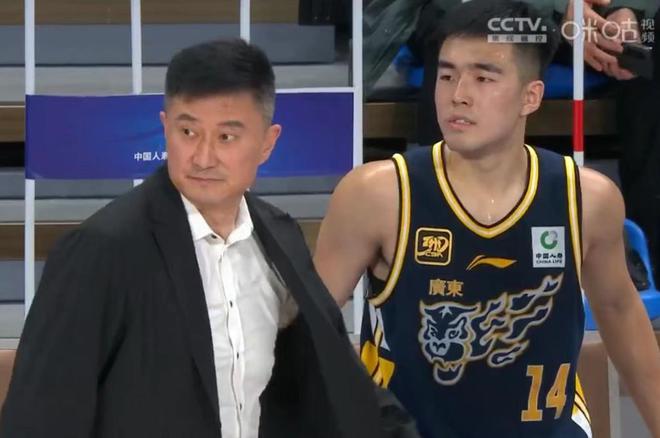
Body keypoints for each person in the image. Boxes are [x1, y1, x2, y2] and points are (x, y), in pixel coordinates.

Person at [0, 39, 419, 438]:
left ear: (268, 143)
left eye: (226, 137)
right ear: (165, 127)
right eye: (188, 132)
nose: (202, 157)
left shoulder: (279, 236)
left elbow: (332, 376)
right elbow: (39, 417)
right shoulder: (102, 249)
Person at [314, 1, 660, 437]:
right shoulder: (377, 195)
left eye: (483, 78)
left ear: (531, 96)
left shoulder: (587, 199)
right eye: (446, 76)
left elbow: (620, 312)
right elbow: (306, 331)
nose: (458, 94)